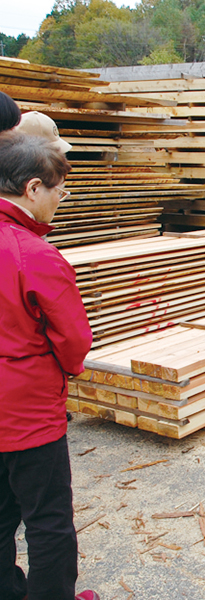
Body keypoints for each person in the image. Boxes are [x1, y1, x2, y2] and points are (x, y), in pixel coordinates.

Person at [0, 132, 97, 600]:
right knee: (48, 520)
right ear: (32, 189)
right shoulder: (34, 255)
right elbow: (74, 343)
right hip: (27, 413)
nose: (62, 200)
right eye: (60, 191)